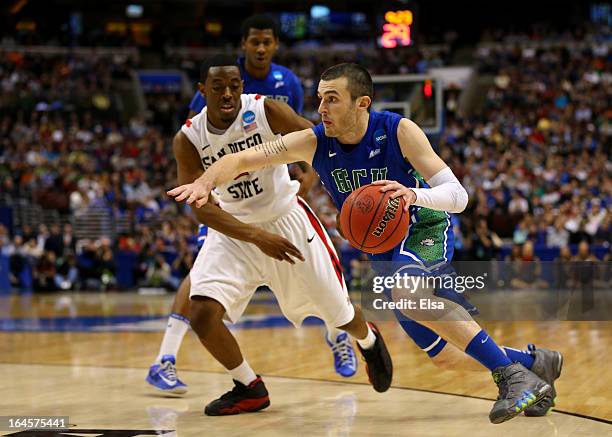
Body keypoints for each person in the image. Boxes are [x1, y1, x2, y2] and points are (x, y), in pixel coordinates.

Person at [171, 63, 564, 423]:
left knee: (409, 297)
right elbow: (242, 160)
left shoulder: (399, 130)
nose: (321, 107)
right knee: (444, 355)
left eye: (331, 98)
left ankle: (513, 378)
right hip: (382, 248)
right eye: (319, 98)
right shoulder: (313, 141)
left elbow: (458, 197)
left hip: (423, 227)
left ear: (362, 103)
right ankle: (535, 363)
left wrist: (413, 195)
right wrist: (205, 183)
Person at [162, 56, 392, 415]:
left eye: (234, 86)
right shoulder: (189, 138)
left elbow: (318, 145)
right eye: (218, 87)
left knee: (340, 314)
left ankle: (368, 339)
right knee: (202, 313)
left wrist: (310, 179)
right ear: (202, 91)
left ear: (243, 87)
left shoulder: (265, 110)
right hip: (233, 231)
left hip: (286, 220)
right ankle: (248, 386)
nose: (227, 93)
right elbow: (202, 208)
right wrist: (256, 237)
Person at [147, 15, 355, 397]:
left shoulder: (284, 85)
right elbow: (198, 138)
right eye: (254, 42)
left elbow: (306, 134)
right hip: (230, 202)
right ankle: (166, 357)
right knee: (200, 279)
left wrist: (309, 174)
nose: (260, 48)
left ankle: (337, 334)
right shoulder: (211, 97)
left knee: (324, 272)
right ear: (243, 46)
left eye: (267, 42)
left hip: (278, 194)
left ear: (275, 45)